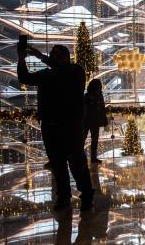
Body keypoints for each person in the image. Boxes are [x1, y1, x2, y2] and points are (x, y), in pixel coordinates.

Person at [17, 44, 94, 211]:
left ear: (67, 57)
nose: (53, 56)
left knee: (77, 164)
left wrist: (41, 57)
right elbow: (25, 78)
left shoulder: (76, 71)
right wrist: (21, 58)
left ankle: (87, 195)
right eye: (52, 54)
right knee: (57, 164)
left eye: (57, 54)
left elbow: (62, 71)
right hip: (50, 127)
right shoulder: (47, 74)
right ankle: (64, 197)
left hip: (71, 126)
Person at [84, 79, 108, 164]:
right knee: (93, 139)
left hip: (89, 120)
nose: (100, 86)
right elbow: (101, 108)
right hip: (91, 120)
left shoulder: (89, 95)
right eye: (99, 85)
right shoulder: (93, 95)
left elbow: (101, 107)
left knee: (90, 138)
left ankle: (91, 157)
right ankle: (92, 157)